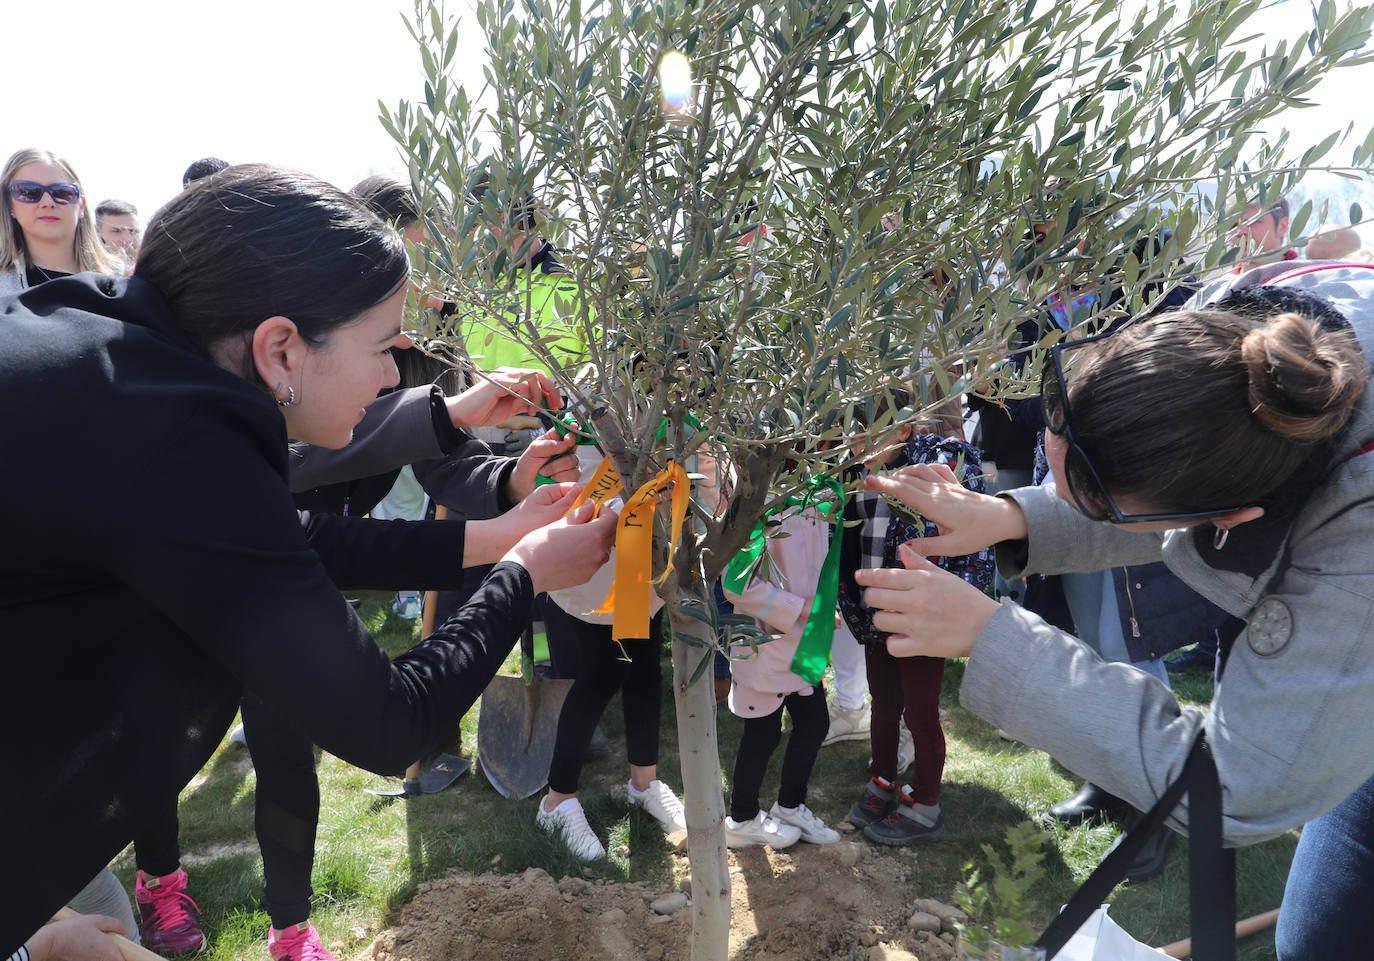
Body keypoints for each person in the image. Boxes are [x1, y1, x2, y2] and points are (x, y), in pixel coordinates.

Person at [0, 164, 619, 955]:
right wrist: (524, 571)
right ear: (281, 350)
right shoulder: (173, 441)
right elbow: (392, 721)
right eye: (381, 348)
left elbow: (292, 535)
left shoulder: (120, 355)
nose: (395, 375)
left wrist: (497, 536)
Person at [855, 261, 1374, 958]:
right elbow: (1142, 481)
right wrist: (1008, 515)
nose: (1060, 493)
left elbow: (1243, 782)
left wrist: (993, 636)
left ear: (1230, 518)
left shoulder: (1358, 528)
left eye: (1088, 498)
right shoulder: (1228, 342)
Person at [838, 389, 995, 846]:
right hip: (874, 612)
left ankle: (926, 804)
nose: (857, 445)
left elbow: (969, 541)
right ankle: (882, 779)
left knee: (921, 711)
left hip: (922, 612)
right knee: (883, 704)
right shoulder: (853, 476)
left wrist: (953, 601)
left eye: (870, 436)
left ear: (905, 431)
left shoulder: (936, 470)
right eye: (852, 435)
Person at [721, 496, 843, 849]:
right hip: (766, 640)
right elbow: (736, 584)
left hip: (805, 637)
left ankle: (789, 805)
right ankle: (742, 818)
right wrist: (801, 607)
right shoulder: (760, 503)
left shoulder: (816, 493)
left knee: (814, 723)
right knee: (762, 734)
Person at [1, 148, 116, 292]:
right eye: (29, 191)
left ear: (81, 206)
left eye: (61, 192)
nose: (47, 202)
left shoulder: (122, 284)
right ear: (9, 205)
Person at [94, 198, 140, 267]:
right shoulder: (83, 273)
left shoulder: (155, 273)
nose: (128, 239)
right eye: (117, 231)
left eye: (133, 231)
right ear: (97, 232)